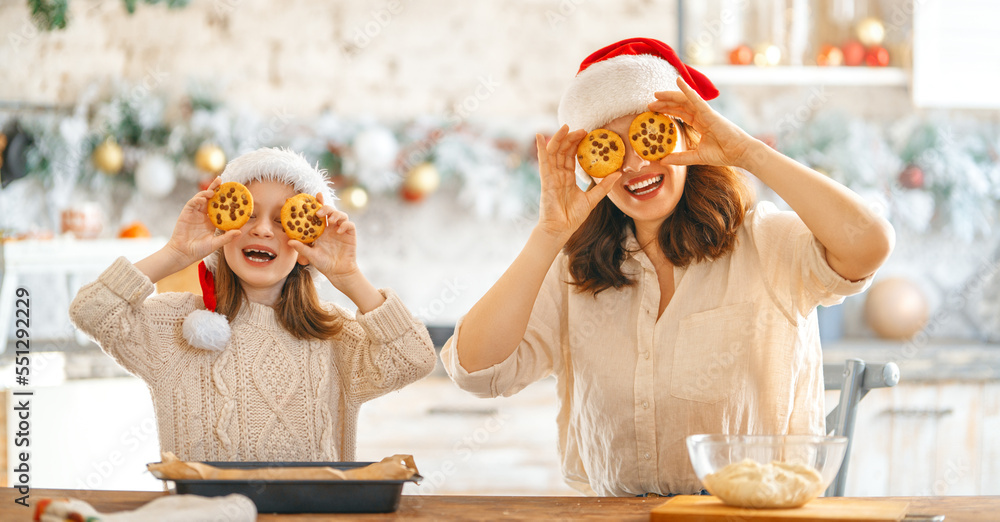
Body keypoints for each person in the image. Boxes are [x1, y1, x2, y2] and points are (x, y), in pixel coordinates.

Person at [440, 38, 894, 496]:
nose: (636, 164)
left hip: (751, 512)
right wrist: (548, 235)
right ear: (591, 166)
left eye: (648, 134)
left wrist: (748, 153)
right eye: (609, 148)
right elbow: (474, 370)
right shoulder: (574, 271)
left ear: (688, 134)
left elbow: (869, 245)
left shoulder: (765, 242)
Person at [70, 147, 436, 462]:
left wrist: (348, 276)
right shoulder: (178, 328)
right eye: (247, 215)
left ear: (306, 242)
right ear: (220, 227)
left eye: (282, 221)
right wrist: (174, 253)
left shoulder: (335, 336)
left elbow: (415, 357)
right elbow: (92, 309)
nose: (262, 230)